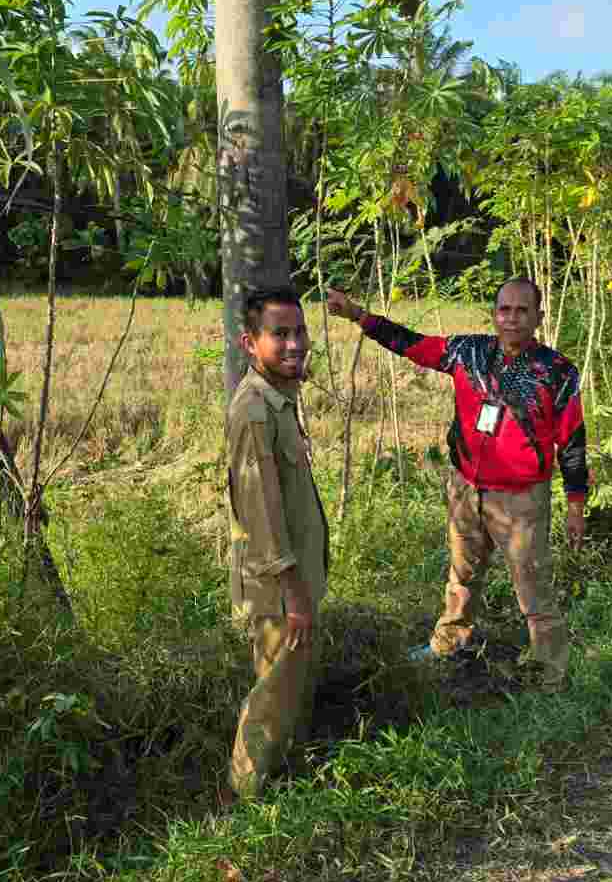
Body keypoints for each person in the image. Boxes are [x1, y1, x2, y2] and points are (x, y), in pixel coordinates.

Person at [325, 278, 586, 686]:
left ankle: (549, 670)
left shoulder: (557, 372)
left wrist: (575, 502)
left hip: (521, 499)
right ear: (494, 314)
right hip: (465, 487)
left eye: (521, 310)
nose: (512, 318)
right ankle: (449, 643)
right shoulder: (469, 352)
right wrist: (359, 315)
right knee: (462, 573)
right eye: (504, 309)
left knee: (532, 586)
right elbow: (410, 344)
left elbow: (572, 438)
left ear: (538, 316)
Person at [225, 287, 329, 798]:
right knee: (270, 701)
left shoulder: (281, 400)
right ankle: (245, 801)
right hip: (277, 592)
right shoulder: (255, 411)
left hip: (295, 587)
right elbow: (262, 514)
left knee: (289, 694)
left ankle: (284, 789)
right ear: (250, 342)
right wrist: (293, 594)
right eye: (279, 334)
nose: (294, 344)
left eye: (299, 331)